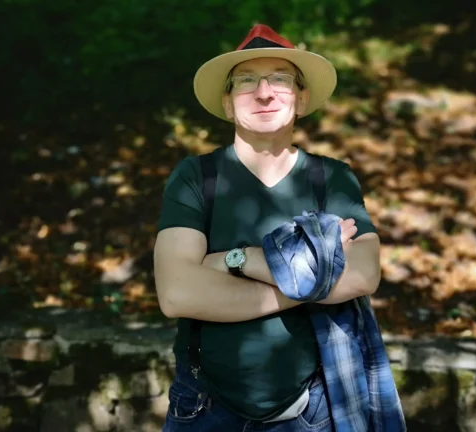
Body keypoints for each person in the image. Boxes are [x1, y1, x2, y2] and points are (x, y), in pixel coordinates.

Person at [154, 24, 405, 431]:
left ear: (302, 99)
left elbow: (362, 273)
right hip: (203, 408)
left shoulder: (332, 179)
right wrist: (314, 275)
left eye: (281, 80)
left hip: (311, 409)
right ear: (228, 101)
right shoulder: (196, 177)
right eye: (248, 81)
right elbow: (177, 293)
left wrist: (236, 260)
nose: (265, 92)